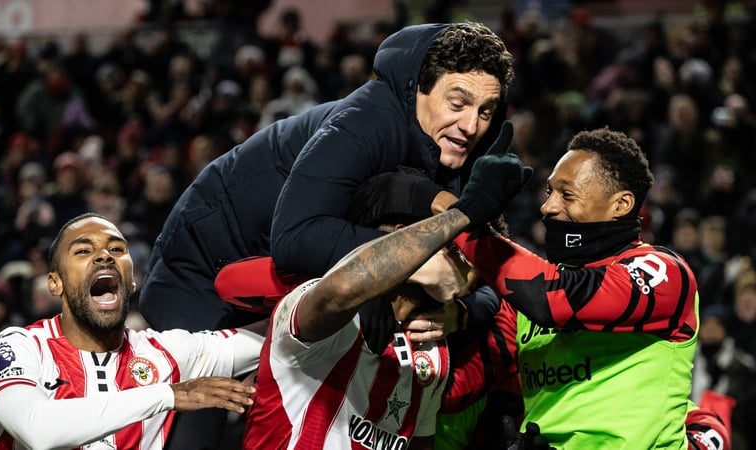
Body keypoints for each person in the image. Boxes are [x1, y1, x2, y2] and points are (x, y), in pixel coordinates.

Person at [139, 21, 515, 331]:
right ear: (419, 87)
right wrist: (414, 264)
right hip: (200, 269)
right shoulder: (366, 121)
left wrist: (459, 316)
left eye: (485, 111)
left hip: (278, 287)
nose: (470, 125)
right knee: (209, 406)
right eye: (458, 103)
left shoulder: (466, 148)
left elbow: (495, 270)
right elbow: (296, 239)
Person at [225, 154, 533, 449]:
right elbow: (339, 290)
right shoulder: (322, 307)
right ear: (404, 237)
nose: (472, 262)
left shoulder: (433, 350)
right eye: (457, 243)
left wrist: (467, 310)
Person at [450, 127, 724, 448]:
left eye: (567, 194)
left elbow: (552, 299)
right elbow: (457, 391)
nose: (548, 207)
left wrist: (466, 219)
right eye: (549, 192)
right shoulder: (522, 301)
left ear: (620, 204)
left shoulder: (662, 272)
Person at [0, 213, 263, 450]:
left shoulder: (167, 353)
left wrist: (300, 294)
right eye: (84, 251)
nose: (104, 256)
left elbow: (279, 334)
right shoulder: (17, 348)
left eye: (116, 249)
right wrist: (167, 395)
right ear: (55, 283)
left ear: (132, 282)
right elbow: (37, 430)